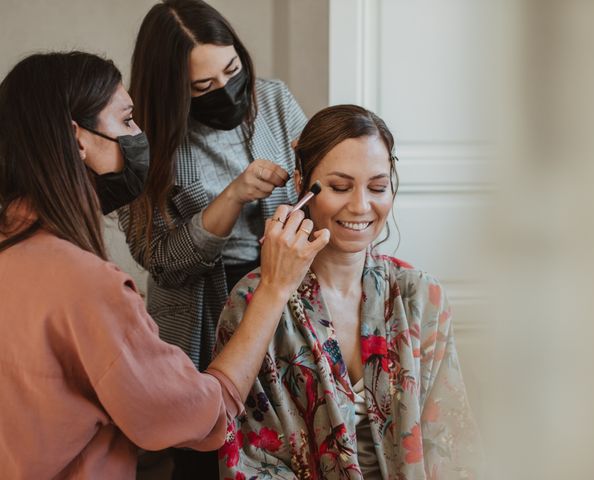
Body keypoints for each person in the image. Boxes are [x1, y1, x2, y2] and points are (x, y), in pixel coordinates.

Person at [0, 51, 328, 480]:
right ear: (76, 138)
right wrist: (273, 289)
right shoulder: (87, 286)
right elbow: (201, 414)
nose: (139, 136)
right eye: (127, 120)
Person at [214, 105, 483, 479]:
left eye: (377, 187)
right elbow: (250, 457)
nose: (360, 206)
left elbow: (450, 442)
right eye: (340, 187)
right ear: (301, 184)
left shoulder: (421, 296)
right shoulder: (253, 302)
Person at [119, 0, 307, 371]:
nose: (226, 90)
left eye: (232, 70)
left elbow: (315, 185)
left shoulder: (274, 100)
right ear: (172, 90)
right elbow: (162, 263)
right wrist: (233, 195)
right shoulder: (144, 138)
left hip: (283, 296)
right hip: (198, 315)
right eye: (204, 85)